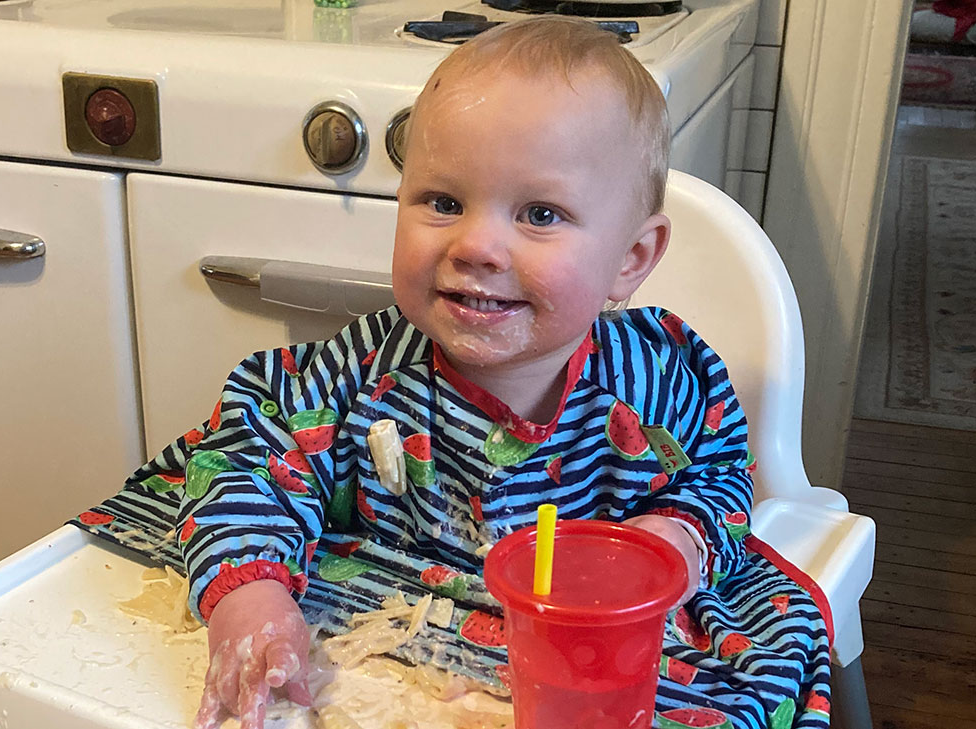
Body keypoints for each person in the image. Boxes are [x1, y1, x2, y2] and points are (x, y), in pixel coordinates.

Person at [73, 16, 833, 729]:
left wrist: (673, 539)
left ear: (629, 260)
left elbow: (716, 478)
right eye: (442, 201)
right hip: (382, 644)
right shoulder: (355, 374)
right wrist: (254, 593)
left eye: (539, 214)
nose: (475, 245)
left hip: (587, 659)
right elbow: (247, 458)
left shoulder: (660, 379)